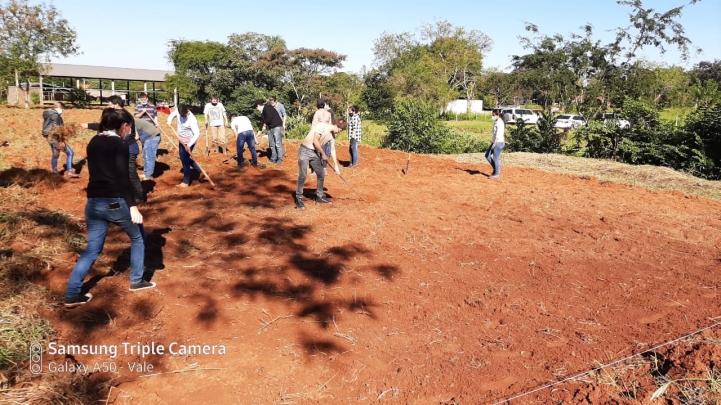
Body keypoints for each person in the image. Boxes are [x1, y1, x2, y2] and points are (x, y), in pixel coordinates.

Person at [64, 108, 156, 307]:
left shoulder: (94, 142)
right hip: (115, 202)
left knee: (92, 250)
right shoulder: (120, 144)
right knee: (138, 237)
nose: (129, 130)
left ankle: (72, 293)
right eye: (128, 127)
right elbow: (123, 177)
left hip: (94, 203)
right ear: (124, 126)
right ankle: (137, 280)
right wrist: (132, 207)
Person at [83, 96, 144, 202]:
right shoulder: (120, 114)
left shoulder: (122, 115)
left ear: (116, 104)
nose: (107, 106)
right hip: (124, 145)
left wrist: (88, 125)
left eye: (109, 104)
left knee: (130, 173)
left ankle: (138, 195)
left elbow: (109, 126)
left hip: (128, 145)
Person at [294, 120, 347, 210]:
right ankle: (299, 199)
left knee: (321, 173)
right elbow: (315, 140)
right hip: (305, 150)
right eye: (340, 130)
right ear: (337, 126)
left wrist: (336, 166)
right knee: (303, 175)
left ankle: (320, 196)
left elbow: (332, 150)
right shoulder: (322, 126)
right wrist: (323, 154)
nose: (339, 133)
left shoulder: (332, 136)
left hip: (315, 153)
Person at [167, 105, 203, 187]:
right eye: (182, 115)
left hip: (190, 141)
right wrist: (169, 121)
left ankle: (186, 182)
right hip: (181, 139)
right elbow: (172, 115)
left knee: (185, 161)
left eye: (185, 115)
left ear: (187, 111)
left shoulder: (192, 119)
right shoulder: (179, 110)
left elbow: (197, 133)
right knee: (184, 158)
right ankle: (199, 170)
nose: (184, 116)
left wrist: (189, 145)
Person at [42, 102, 79, 178]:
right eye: (63, 109)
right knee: (70, 153)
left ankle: (54, 172)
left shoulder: (48, 114)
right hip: (55, 138)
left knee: (56, 154)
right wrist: (60, 140)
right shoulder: (55, 115)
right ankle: (69, 171)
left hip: (49, 137)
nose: (63, 111)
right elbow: (57, 129)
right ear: (59, 108)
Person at [255, 100, 284, 165]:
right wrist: (257, 134)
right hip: (270, 128)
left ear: (258, 106)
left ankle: (280, 160)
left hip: (277, 126)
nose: (257, 110)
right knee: (272, 145)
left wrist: (265, 125)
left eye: (257, 108)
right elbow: (261, 123)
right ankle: (273, 159)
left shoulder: (268, 107)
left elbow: (269, 117)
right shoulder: (262, 113)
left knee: (278, 144)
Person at [487, 110, 506, 179]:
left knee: (496, 158)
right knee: (487, 155)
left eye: (494, 115)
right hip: (495, 142)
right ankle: (496, 169)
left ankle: (497, 173)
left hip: (498, 143)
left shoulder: (500, 123)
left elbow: (498, 134)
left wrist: (494, 144)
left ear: (498, 115)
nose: (493, 116)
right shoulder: (496, 122)